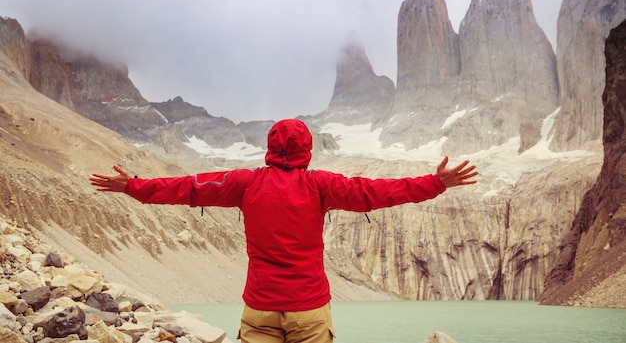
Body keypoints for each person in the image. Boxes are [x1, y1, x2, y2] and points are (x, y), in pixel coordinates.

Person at [90, 118, 478, 343]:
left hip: (259, 308)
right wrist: (436, 182)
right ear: (307, 150)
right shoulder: (321, 185)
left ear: (270, 148)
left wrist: (134, 186)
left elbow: (189, 188)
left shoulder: (244, 182)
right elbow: (376, 192)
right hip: (309, 308)